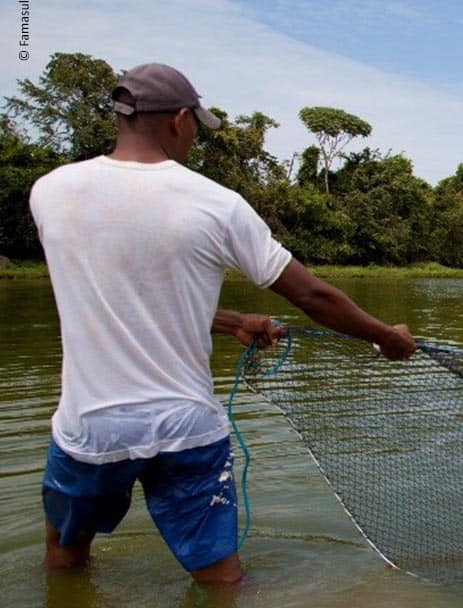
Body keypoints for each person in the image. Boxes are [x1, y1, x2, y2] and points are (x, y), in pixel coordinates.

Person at [30, 63, 417, 585]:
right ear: (179, 120)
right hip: (187, 428)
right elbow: (312, 294)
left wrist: (231, 320)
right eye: (195, 126)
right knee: (220, 577)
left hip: (92, 428)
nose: (194, 138)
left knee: (66, 555)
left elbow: (117, 303)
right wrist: (386, 338)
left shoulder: (50, 192)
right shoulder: (217, 205)